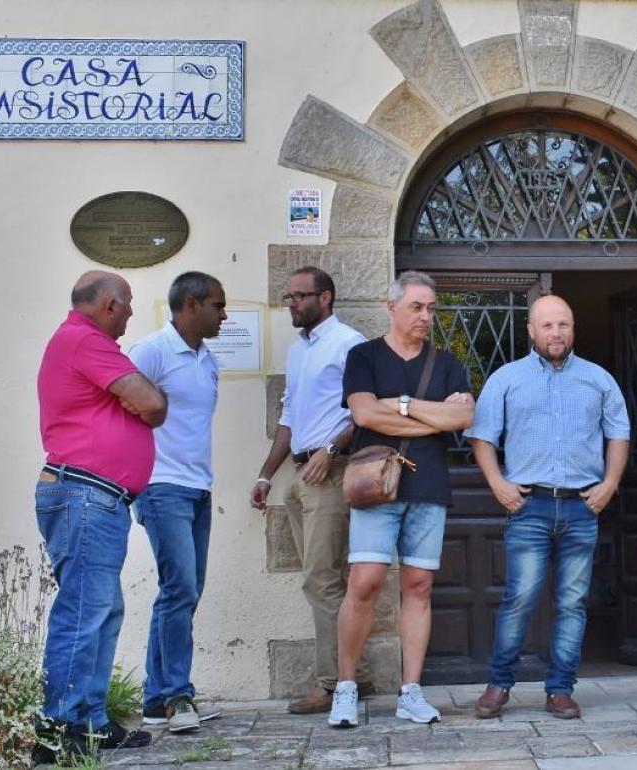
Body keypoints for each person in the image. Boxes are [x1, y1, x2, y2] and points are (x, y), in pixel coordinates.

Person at [466, 295, 630, 720]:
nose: (556, 333)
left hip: (581, 507)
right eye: (547, 326)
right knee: (519, 598)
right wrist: (498, 483)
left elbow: (619, 435)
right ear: (531, 331)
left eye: (564, 325)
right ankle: (499, 686)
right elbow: (481, 436)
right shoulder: (507, 378)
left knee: (573, 603)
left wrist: (609, 484)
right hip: (528, 507)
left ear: (573, 329)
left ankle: (560, 690)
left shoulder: (599, 380)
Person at [329, 270, 474, 728]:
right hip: (376, 484)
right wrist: (434, 417)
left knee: (419, 587)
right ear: (392, 307)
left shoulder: (447, 362)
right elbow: (365, 412)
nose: (426, 316)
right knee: (365, 581)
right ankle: (346, 687)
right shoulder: (364, 356)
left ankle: (411, 692)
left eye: (431, 308)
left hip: (428, 485)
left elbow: (465, 415)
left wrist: (402, 406)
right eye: (417, 306)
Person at [35, 271, 163, 758]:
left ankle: (87, 720)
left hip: (94, 497)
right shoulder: (86, 341)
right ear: (109, 304)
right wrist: (140, 399)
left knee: (100, 610)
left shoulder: (80, 341)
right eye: (128, 303)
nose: (131, 312)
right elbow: (151, 405)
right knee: (84, 611)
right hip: (85, 495)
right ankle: (57, 729)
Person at [249, 266, 374, 714]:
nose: (292, 304)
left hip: (333, 473)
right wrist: (267, 474)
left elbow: (363, 410)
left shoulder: (350, 344)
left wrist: (328, 449)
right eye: (288, 297)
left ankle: (332, 683)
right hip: (301, 476)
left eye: (300, 296)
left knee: (322, 581)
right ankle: (353, 674)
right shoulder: (298, 351)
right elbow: (288, 417)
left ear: (326, 298)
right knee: (322, 581)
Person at [128, 272, 227, 732]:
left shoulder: (207, 359)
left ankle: (155, 700)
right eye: (217, 306)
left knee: (181, 591)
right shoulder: (151, 351)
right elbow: (120, 409)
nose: (224, 315)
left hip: (198, 489)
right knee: (180, 588)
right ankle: (177, 694)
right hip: (160, 485)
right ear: (191, 304)